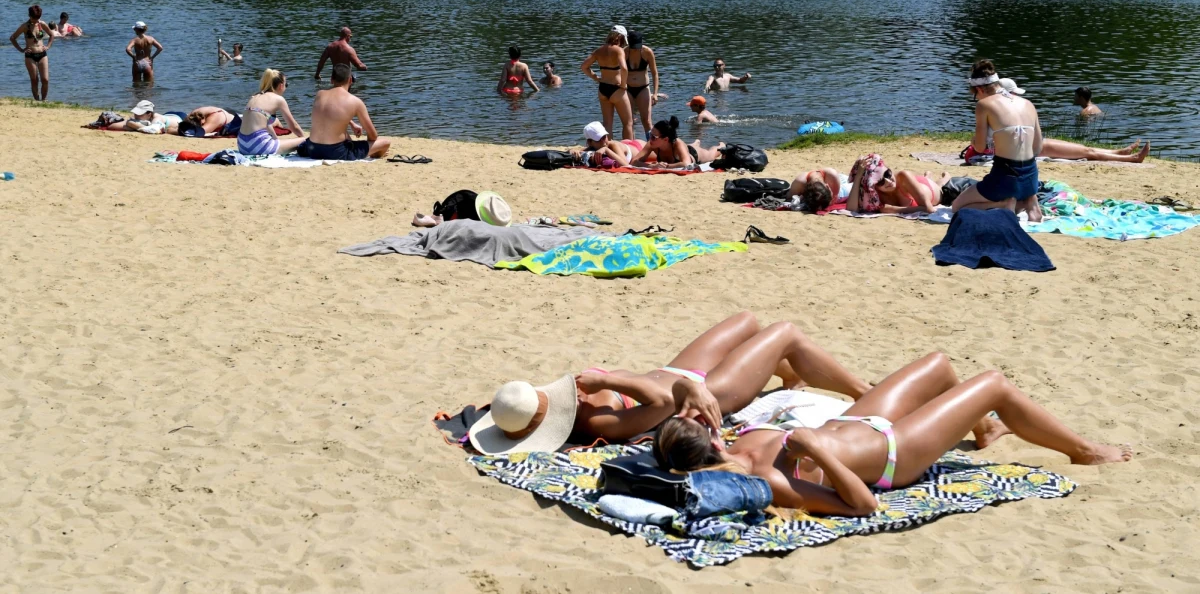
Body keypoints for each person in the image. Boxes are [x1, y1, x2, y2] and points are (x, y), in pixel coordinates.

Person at [654, 352, 1130, 517]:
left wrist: (688, 391)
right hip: (891, 455)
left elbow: (667, 412)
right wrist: (818, 449)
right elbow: (862, 506)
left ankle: (984, 431)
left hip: (859, 420)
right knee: (993, 385)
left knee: (939, 365)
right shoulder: (764, 480)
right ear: (711, 445)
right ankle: (1084, 451)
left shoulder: (726, 445)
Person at [467, 312, 874, 454]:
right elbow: (663, 402)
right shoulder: (598, 424)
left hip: (681, 370)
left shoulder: (574, 399)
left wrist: (601, 380)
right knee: (784, 332)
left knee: (747, 322)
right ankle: (864, 396)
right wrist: (610, 380)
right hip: (705, 393)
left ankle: (789, 376)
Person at [951, 60, 1044, 222]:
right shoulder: (1028, 104)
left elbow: (979, 148)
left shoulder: (984, 105)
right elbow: (1038, 148)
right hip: (1031, 178)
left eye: (975, 95)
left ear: (979, 89)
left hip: (1005, 178)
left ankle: (1005, 204)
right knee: (1019, 183)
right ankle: (1029, 201)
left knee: (957, 207)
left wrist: (974, 141)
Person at [993, 79, 1148, 162]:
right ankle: (1130, 158)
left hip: (1033, 144)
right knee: (1087, 152)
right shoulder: (1003, 108)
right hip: (1030, 148)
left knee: (1084, 148)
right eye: (1014, 94)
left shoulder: (1001, 109)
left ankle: (1119, 152)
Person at [298, 63, 390, 160]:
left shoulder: (319, 94)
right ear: (350, 80)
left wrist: (351, 123)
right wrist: (370, 147)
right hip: (335, 152)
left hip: (312, 149)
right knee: (385, 143)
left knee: (341, 132)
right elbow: (373, 135)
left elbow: (330, 114)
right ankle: (374, 154)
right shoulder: (355, 101)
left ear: (331, 79)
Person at [581, 25, 634, 141]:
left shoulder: (599, 50)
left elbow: (584, 66)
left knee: (607, 124)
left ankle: (608, 149)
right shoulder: (618, 50)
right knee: (628, 123)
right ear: (620, 37)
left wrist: (596, 78)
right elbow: (624, 69)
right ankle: (630, 149)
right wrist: (624, 85)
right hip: (617, 89)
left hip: (603, 88)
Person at [237, 69, 307, 155]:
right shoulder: (279, 99)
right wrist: (304, 139)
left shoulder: (254, 96)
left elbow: (267, 125)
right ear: (281, 86)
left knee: (278, 142)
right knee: (305, 140)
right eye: (286, 85)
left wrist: (276, 140)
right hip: (259, 145)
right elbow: (293, 126)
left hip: (242, 145)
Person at [631, 117, 724, 168]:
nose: (650, 139)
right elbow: (634, 161)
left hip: (693, 154)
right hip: (683, 151)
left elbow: (687, 164)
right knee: (687, 147)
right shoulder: (652, 144)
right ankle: (696, 142)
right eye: (650, 135)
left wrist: (665, 166)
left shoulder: (677, 143)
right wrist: (652, 166)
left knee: (712, 154)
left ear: (665, 139)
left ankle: (722, 145)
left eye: (653, 137)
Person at [10, 5, 54, 100]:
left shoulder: (42, 24)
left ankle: (43, 100)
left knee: (45, 79)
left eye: (38, 18)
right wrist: (22, 49)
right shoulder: (25, 26)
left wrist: (48, 46)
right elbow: (12, 38)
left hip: (42, 55)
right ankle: (37, 100)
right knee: (34, 80)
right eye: (34, 18)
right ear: (29, 16)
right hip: (30, 56)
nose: (36, 20)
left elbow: (51, 34)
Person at [866, 168, 949, 214]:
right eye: (881, 182)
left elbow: (929, 209)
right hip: (913, 186)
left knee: (940, 186)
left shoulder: (903, 175)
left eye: (887, 174)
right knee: (925, 183)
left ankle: (945, 177)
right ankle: (927, 176)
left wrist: (892, 209)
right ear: (874, 186)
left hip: (930, 190)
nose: (888, 181)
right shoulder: (875, 195)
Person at [625, 31, 660, 140]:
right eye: (633, 46)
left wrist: (655, 93)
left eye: (637, 46)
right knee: (629, 121)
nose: (636, 49)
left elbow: (654, 73)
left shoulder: (647, 52)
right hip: (627, 88)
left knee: (646, 120)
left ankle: (651, 145)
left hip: (643, 88)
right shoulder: (624, 52)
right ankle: (631, 146)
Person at [570, 121, 645, 168]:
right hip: (625, 144)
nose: (604, 141)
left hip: (638, 147)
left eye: (604, 137)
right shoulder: (592, 147)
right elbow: (572, 151)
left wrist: (606, 149)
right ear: (590, 142)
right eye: (599, 139)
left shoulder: (612, 145)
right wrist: (575, 151)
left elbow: (625, 164)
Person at [178, 106, 243, 137]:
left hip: (236, 121)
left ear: (202, 122)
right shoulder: (193, 114)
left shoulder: (215, 118)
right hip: (227, 112)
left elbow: (198, 133)